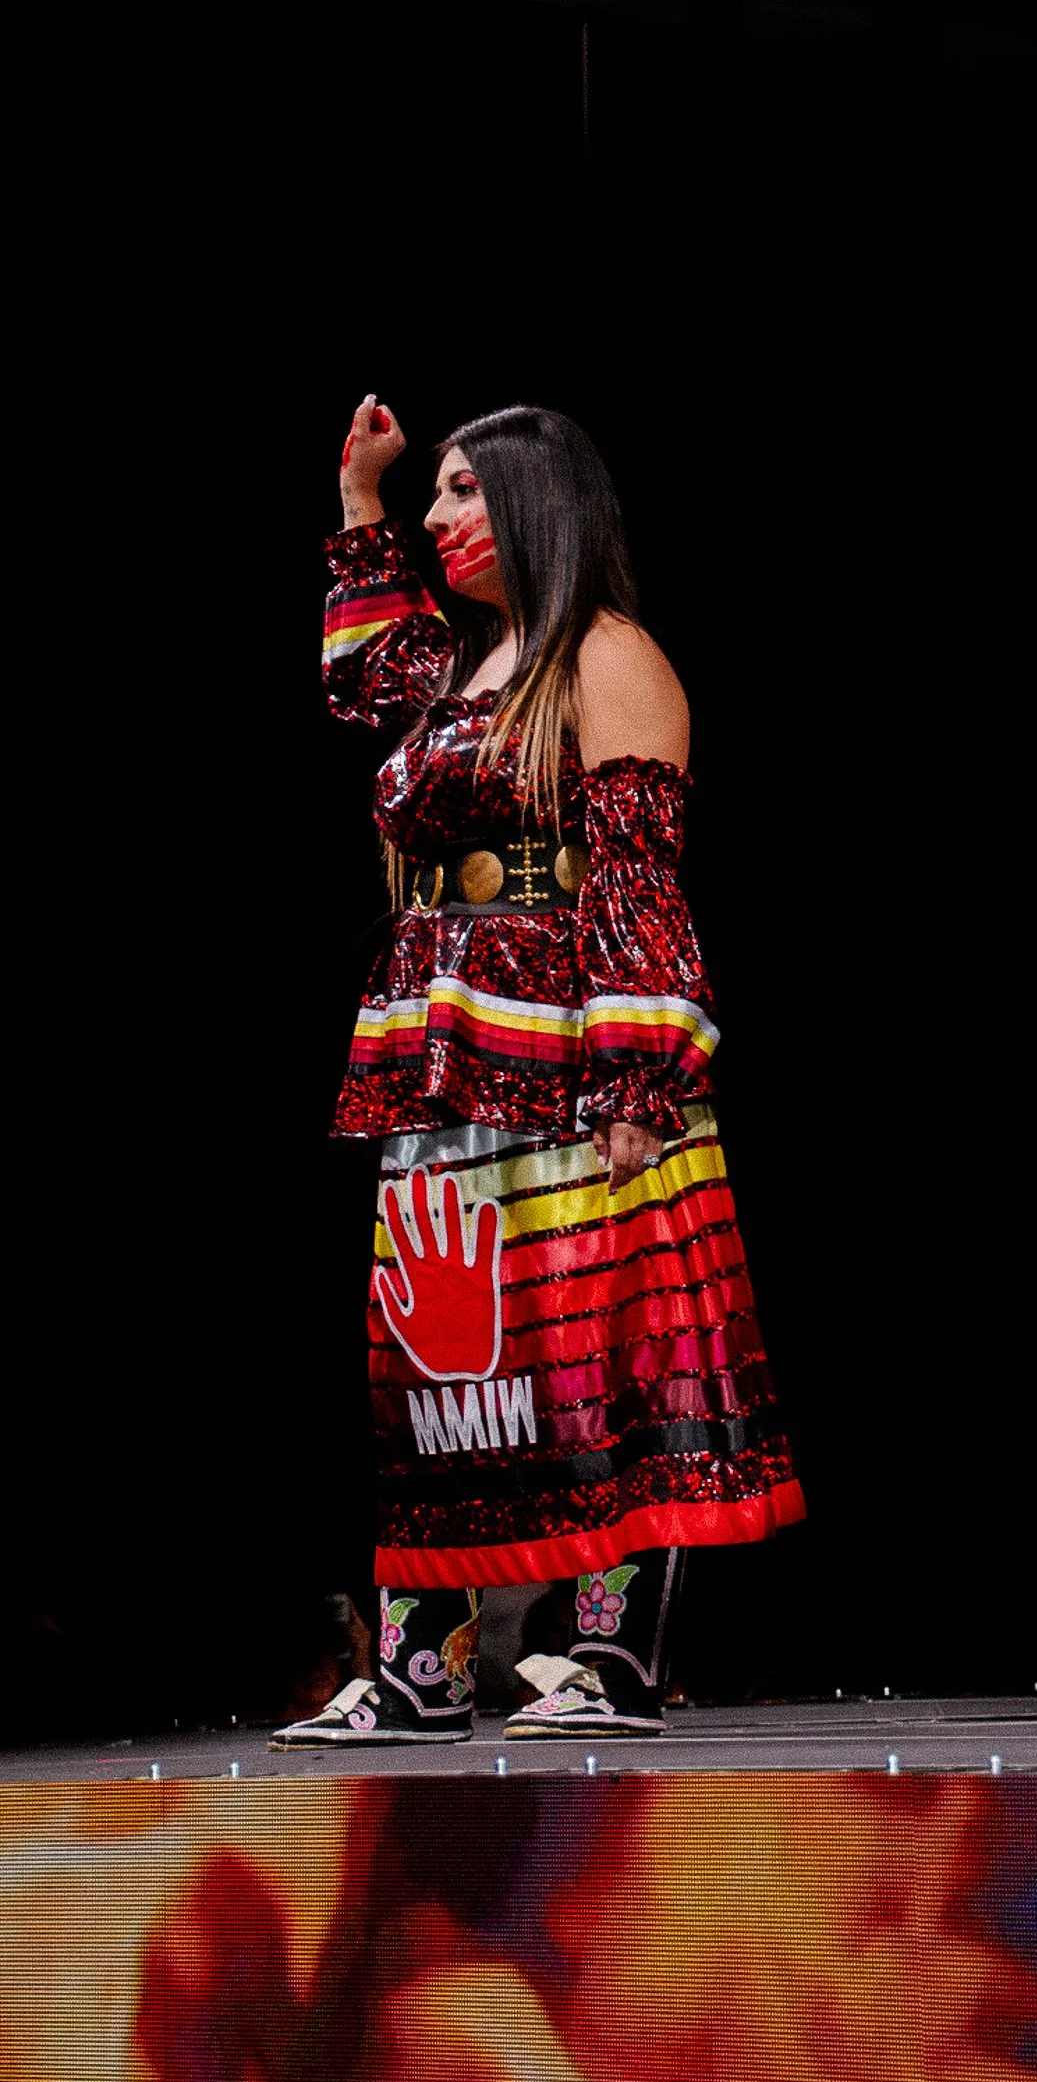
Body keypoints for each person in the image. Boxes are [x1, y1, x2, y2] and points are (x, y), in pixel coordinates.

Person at [275, 401, 803, 1747]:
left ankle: (610, 1656)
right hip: (439, 1044)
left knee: (591, 1356)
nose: (440, 517)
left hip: (569, 1045)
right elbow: (360, 680)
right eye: (435, 496)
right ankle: (419, 1665)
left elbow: (636, 883)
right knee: (435, 1359)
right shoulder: (459, 663)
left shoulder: (609, 657)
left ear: (536, 507)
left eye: (463, 493)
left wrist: (636, 1082)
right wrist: (358, 500)